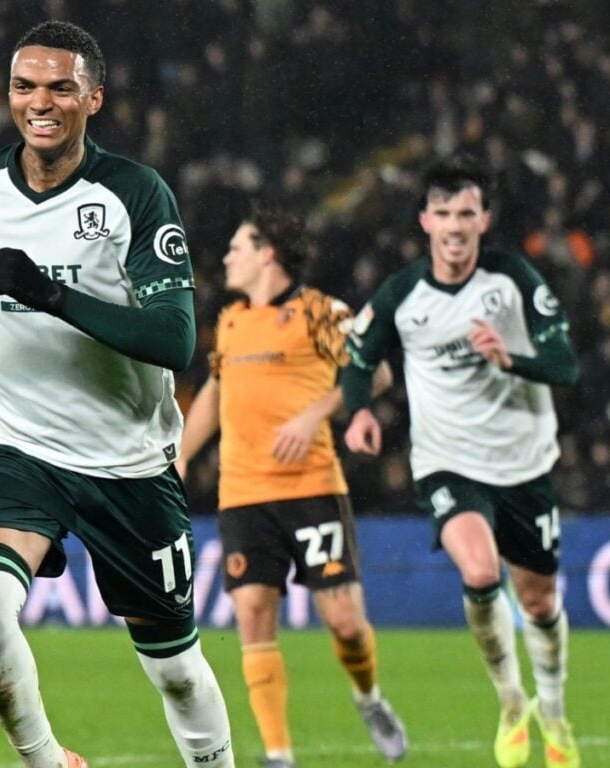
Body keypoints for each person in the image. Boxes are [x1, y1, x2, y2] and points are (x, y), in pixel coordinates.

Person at [0, 21, 234, 768]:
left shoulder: (134, 194)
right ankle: (48, 762)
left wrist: (53, 296)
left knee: (178, 672)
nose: (40, 103)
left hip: (129, 463)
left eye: (60, 88)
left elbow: (174, 339)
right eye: (25, 87)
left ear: (94, 99)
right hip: (21, 449)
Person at [340, 157, 581, 768]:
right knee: (478, 570)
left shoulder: (513, 280)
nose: (454, 225)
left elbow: (566, 365)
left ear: (484, 220)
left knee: (539, 602)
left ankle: (553, 710)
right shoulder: (402, 294)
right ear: (425, 221)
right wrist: (360, 411)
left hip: (523, 464)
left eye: (466, 213)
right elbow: (358, 358)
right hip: (447, 462)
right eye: (443, 212)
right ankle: (511, 701)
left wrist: (511, 360)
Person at [176, 202, 407, 767]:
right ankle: (278, 754)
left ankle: (368, 696)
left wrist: (315, 414)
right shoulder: (231, 322)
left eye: (237, 247)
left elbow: (376, 372)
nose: (226, 257)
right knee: (253, 613)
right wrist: (178, 457)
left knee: (345, 624)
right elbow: (216, 393)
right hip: (243, 494)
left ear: (267, 254)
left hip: (311, 488)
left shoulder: (322, 311)